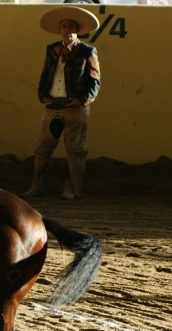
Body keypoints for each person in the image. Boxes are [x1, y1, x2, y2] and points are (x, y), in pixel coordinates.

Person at [21, 6, 101, 200]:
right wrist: (42, 94)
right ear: (60, 29)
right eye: (64, 26)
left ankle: (73, 188)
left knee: (75, 149)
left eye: (71, 26)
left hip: (75, 106)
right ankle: (38, 185)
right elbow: (45, 74)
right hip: (52, 104)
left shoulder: (87, 51)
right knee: (42, 147)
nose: (67, 30)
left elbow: (95, 80)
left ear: (78, 30)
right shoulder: (52, 50)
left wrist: (82, 99)